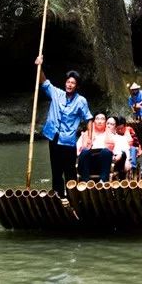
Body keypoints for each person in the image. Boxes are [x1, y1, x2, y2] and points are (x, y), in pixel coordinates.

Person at [35, 55, 93, 194]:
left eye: (73, 83)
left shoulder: (81, 101)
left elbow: (88, 119)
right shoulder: (56, 94)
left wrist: (90, 138)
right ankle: (59, 197)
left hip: (68, 141)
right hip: (53, 137)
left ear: (77, 86)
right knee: (56, 171)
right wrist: (39, 66)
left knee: (69, 172)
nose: (69, 85)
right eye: (68, 82)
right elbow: (44, 81)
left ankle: (73, 198)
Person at [76, 114, 127, 181]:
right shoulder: (85, 135)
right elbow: (77, 152)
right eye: (97, 119)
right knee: (85, 151)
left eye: (102, 119)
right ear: (94, 122)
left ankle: (103, 181)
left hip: (104, 164)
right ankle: (85, 182)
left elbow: (118, 152)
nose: (99, 121)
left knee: (106, 151)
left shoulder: (112, 136)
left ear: (105, 122)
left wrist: (118, 157)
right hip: (88, 163)